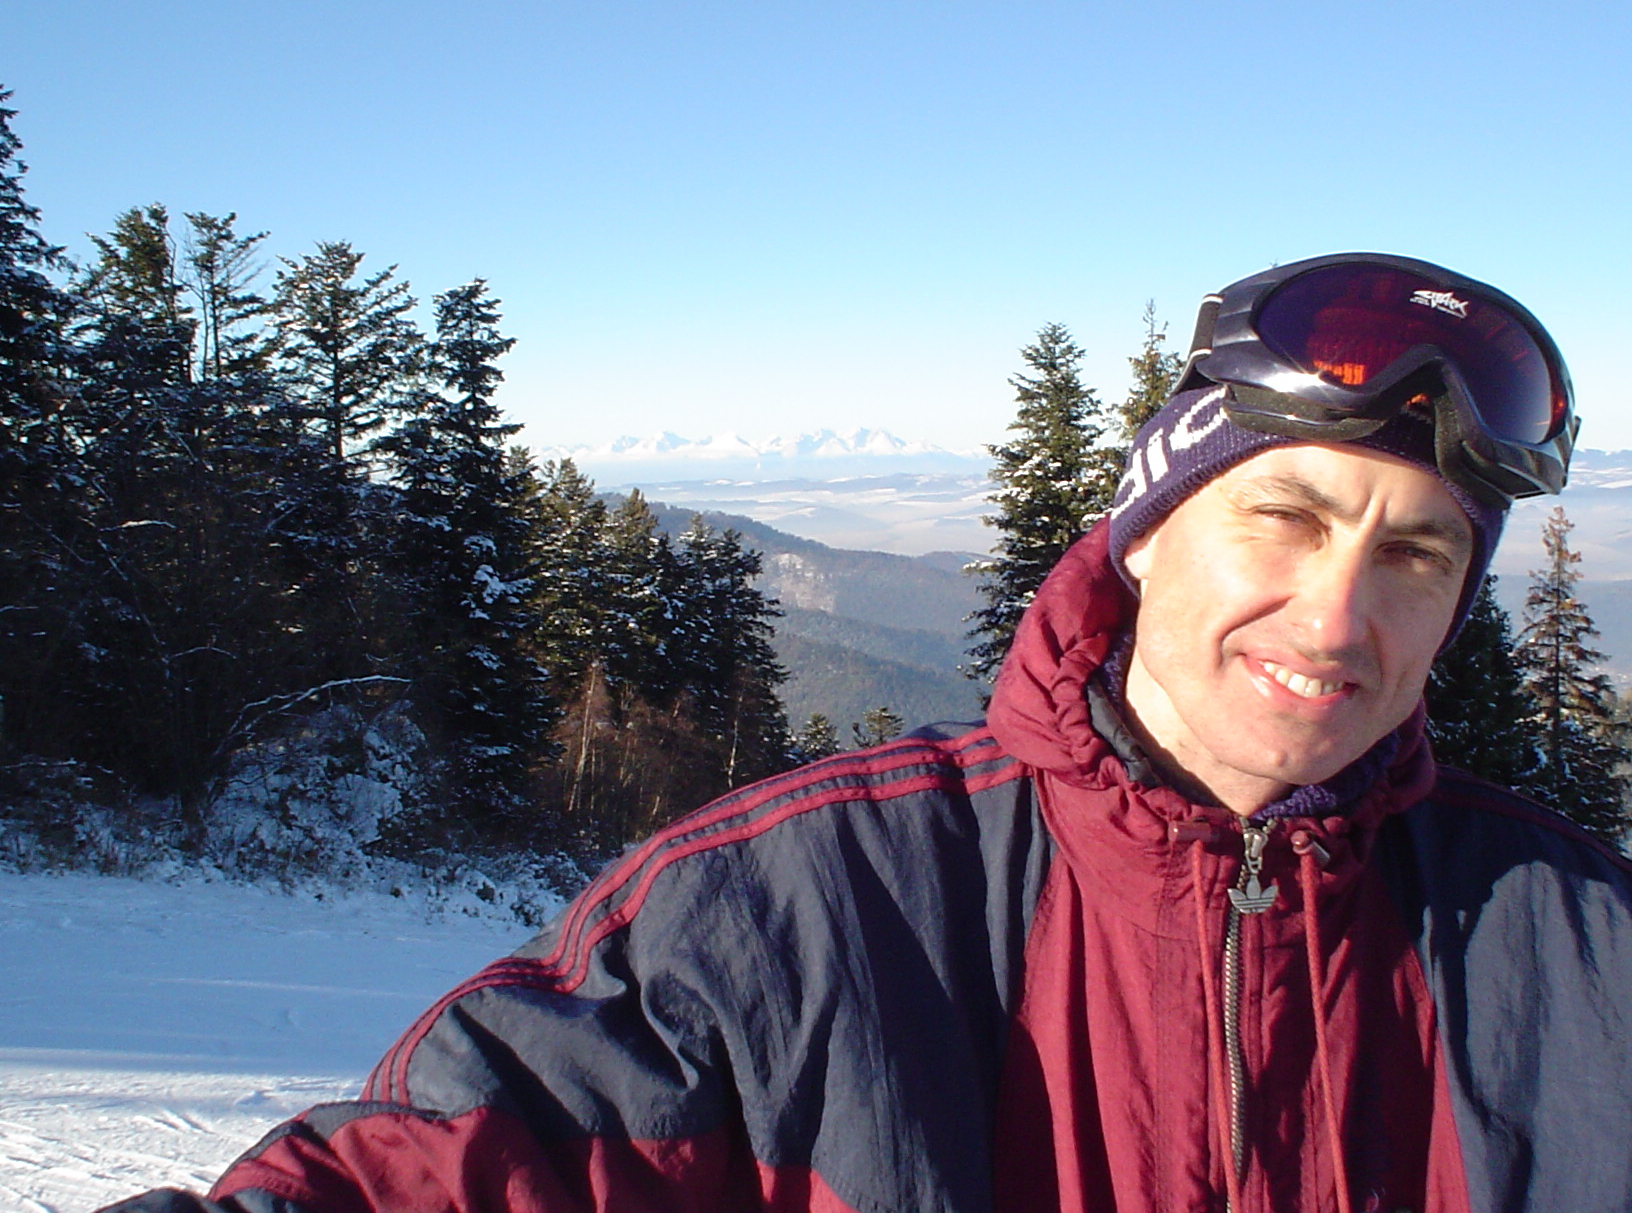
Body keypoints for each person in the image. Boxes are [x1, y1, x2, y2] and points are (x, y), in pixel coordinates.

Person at [107, 254, 1632, 1213]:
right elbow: (454, 1168)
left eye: (1415, 554)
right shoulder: (799, 904)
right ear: (1150, 532)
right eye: (1282, 517)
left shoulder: (1581, 947)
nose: (1338, 614)